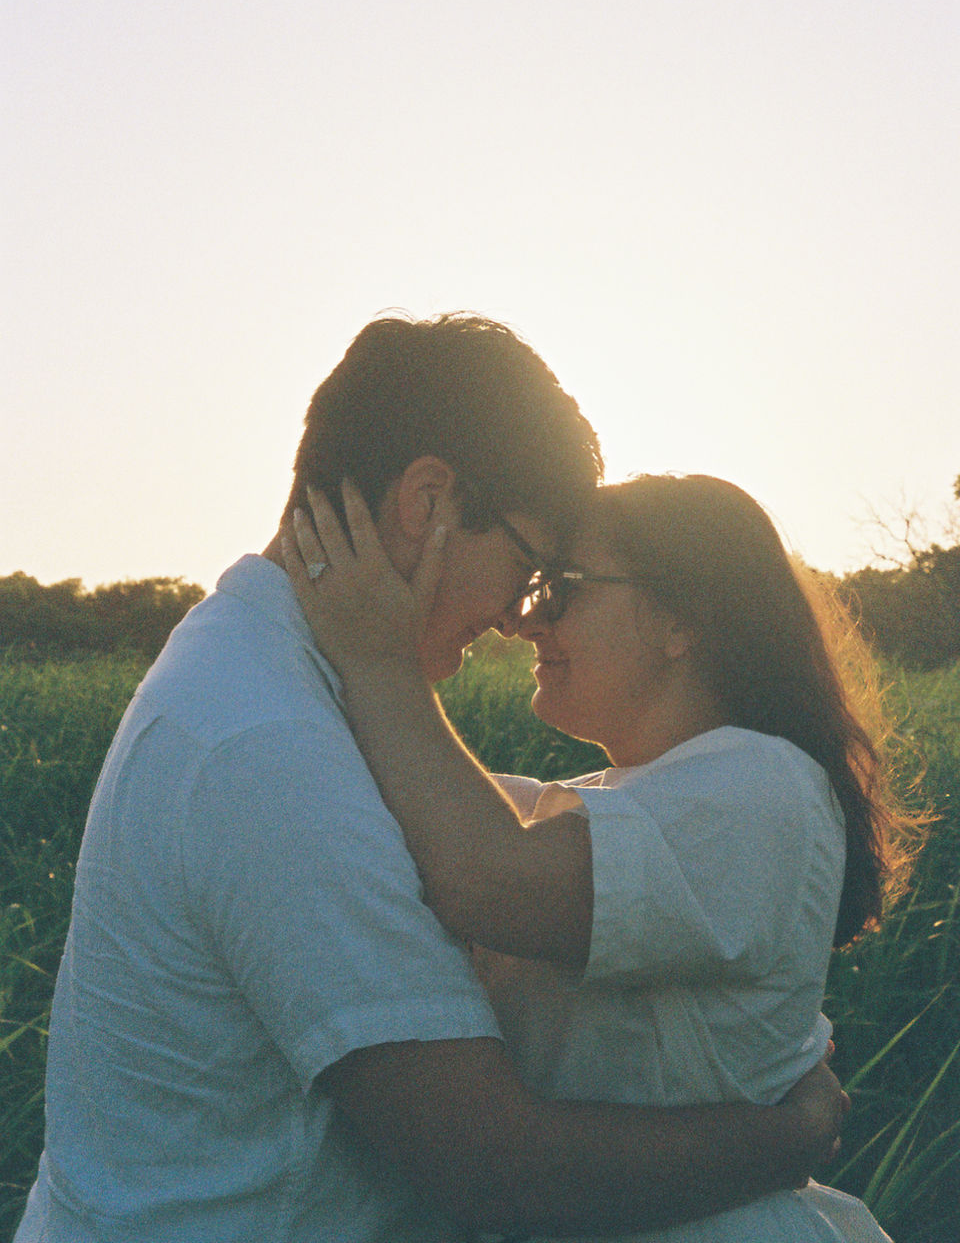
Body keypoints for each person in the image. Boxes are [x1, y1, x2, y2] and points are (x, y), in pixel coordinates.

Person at [15, 315, 845, 1243]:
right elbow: (494, 1171)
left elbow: (495, 840)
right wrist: (791, 1136)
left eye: (557, 586)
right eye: (529, 567)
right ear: (427, 501)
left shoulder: (269, 684)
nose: (517, 618)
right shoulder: (271, 745)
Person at [281, 470, 923, 1242]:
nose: (526, 622)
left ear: (681, 620)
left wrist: (380, 660)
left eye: (563, 588)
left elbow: (485, 875)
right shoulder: (637, 799)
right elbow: (443, 811)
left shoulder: (764, 784)